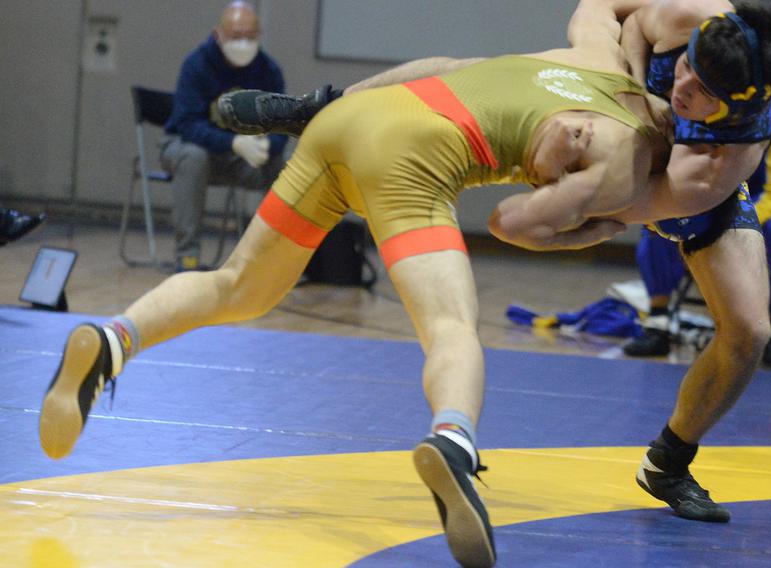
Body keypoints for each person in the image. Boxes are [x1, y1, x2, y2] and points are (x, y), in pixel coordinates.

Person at [40, 2, 686, 566]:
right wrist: (590, 226)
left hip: (346, 123)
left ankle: (115, 334)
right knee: (451, 328)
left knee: (240, 285)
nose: (578, 138)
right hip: (412, 158)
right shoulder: (635, 151)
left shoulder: (591, 57)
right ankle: (453, 440)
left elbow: (563, 20)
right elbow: (509, 223)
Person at [216, 0, 771, 525]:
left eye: (702, 90)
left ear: (737, 104)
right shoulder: (690, 14)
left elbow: (607, 215)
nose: (685, 84)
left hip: (651, 180)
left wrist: (571, 211)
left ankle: (669, 463)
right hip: (614, 94)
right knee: (475, 72)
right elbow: (600, 8)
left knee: (748, 330)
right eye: (686, 65)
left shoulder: (716, 166)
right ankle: (319, 107)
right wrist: (622, 79)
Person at [624, 120, 771, 370]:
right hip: (701, 198)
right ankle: (658, 321)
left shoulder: (770, 122)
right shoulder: (689, 113)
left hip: (749, 203)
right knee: (657, 226)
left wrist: (746, 220)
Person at [162, 1, 288, 272]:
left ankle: (271, 258)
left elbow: (282, 126)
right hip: (191, 150)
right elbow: (187, 123)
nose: (242, 43)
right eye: (235, 36)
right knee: (193, 157)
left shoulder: (269, 71)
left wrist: (266, 144)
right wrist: (232, 142)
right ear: (218, 34)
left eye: (249, 37)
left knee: (284, 167)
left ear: (259, 36)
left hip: (243, 159)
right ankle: (188, 257)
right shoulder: (197, 65)